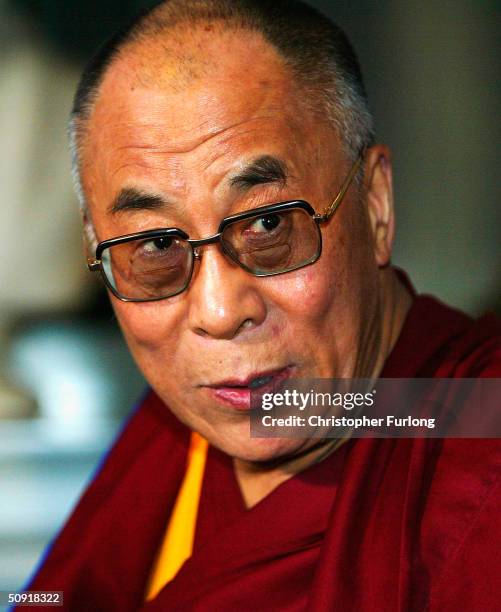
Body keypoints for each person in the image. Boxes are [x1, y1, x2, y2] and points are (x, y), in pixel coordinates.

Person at [25, 1, 501, 610]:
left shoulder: (479, 443)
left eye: (268, 224)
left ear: (376, 205)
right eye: (156, 245)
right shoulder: (180, 434)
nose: (220, 311)